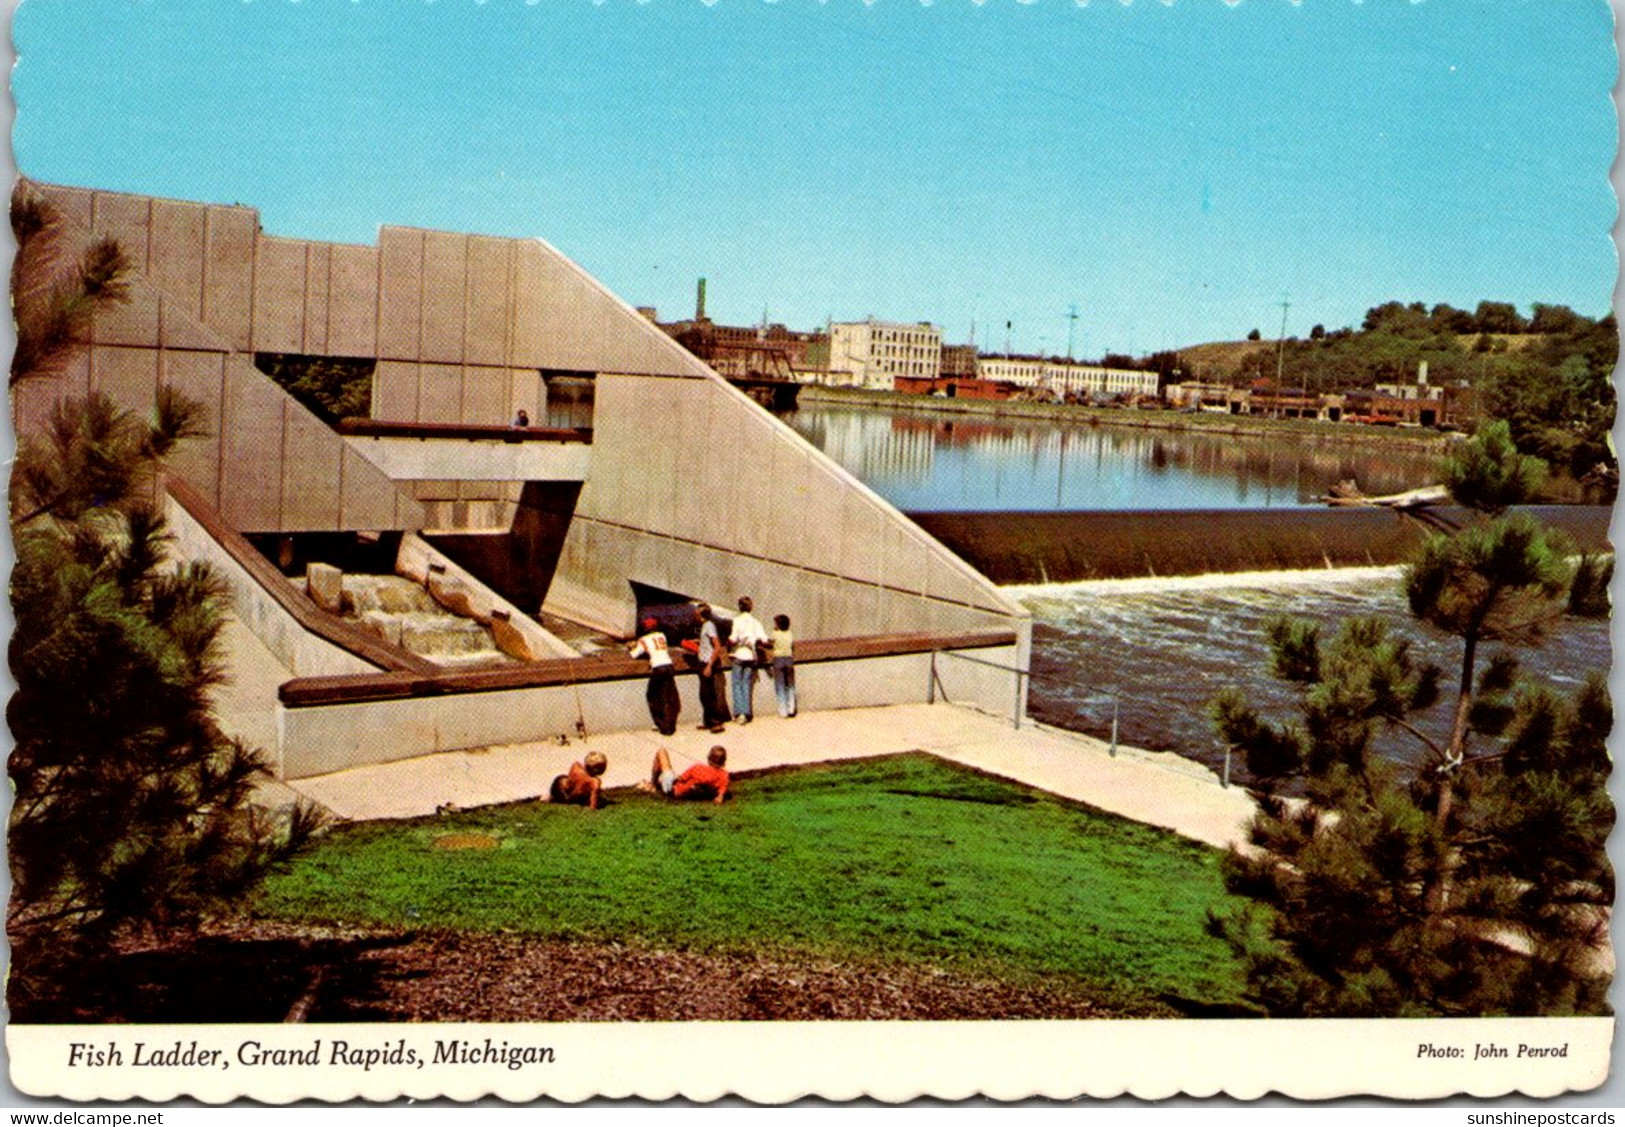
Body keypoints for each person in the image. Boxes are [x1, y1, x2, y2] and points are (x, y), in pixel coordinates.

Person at [629, 617, 680, 736]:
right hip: (668, 665)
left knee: (652, 696)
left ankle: (661, 724)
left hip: (658, 667)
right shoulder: (662, 635)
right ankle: (669, 725)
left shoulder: (644, 639)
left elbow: (634, 654)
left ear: (645, 629)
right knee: (668, 697)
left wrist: (631, 647)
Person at [727, 596, 768, 723]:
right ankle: (747, 712)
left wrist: (728, 645)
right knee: (746, 684)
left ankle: (740, 713)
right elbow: (764, 639)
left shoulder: (737, 621)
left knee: (737, 684)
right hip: (751, 655)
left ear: (739, 607)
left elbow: (732, 639)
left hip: (739, 653)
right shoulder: (756, 622)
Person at [643, 746, 729, 805]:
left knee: (661, 751)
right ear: (724, 761)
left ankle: (653, 783)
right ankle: (654, 783)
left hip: (673, 791)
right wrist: (719, 797)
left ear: (708, 758)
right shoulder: (724, 775)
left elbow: (681, 779)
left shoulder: (697, 768)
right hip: (689, 793)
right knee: (668, 772)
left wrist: (674, 776)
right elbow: (721, 791)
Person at [692, 603, 729, 733]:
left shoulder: (709, 626)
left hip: (707, 663)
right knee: (704, 694)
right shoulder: (705, 626)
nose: (694, 614)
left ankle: (716, 722)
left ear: (701, 614)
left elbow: (717, 646)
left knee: (708, 694)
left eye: (696, 612)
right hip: (703, 661)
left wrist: (709, 666)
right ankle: (708, 721)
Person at [770, 613, 796, 718]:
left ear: (778, 625)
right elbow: (792, 646)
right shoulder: (790, 634)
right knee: (790, 685)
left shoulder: (775, 634)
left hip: (778, 659)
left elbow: (770, 643)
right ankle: (791, 709)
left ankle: (783, 710)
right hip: (789, 659)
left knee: (780, 686)